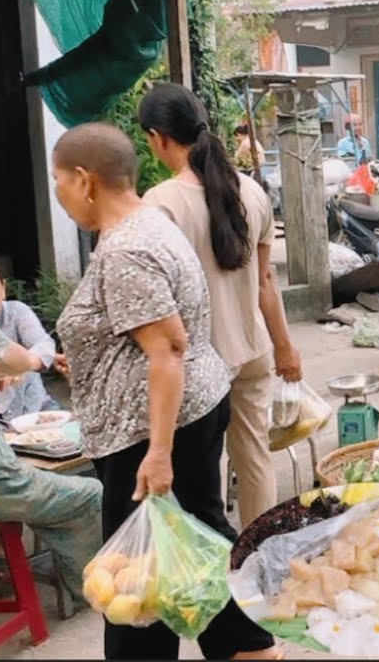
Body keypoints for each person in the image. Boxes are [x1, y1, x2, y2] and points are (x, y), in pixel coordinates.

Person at [50, 123, 279, 660]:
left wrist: (156, 453)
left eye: (59, 182)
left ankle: (240, 647)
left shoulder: (127, 247)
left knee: (138, 573)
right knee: (195, 538)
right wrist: (89, 357)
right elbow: (148, 333)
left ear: (85, 180)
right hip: (189, 407)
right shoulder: (148, 223)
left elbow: (167, 347)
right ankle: (250, 646)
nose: (58, 196)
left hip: (150, 429)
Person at [138, 82, 303, 529]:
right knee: (255, 463)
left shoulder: (160, 204)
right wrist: (284, 347)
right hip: (253, 350)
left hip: (197, 364)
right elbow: (266, 282)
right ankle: (260, 559)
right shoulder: (251, 191)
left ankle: (213, 581)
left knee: (201, 480)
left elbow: (158, 301)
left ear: (158, 138)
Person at [0, 321, 102, 599]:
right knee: (91, 495)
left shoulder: (18, 313)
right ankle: (95, 593)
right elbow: (22, 359)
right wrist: (12, 364)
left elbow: (35, 349)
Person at [0, 257, 60, 422]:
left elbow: (44, 344)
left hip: (35, 411)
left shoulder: (16, 313)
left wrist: (20, 365)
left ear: (3, 288)